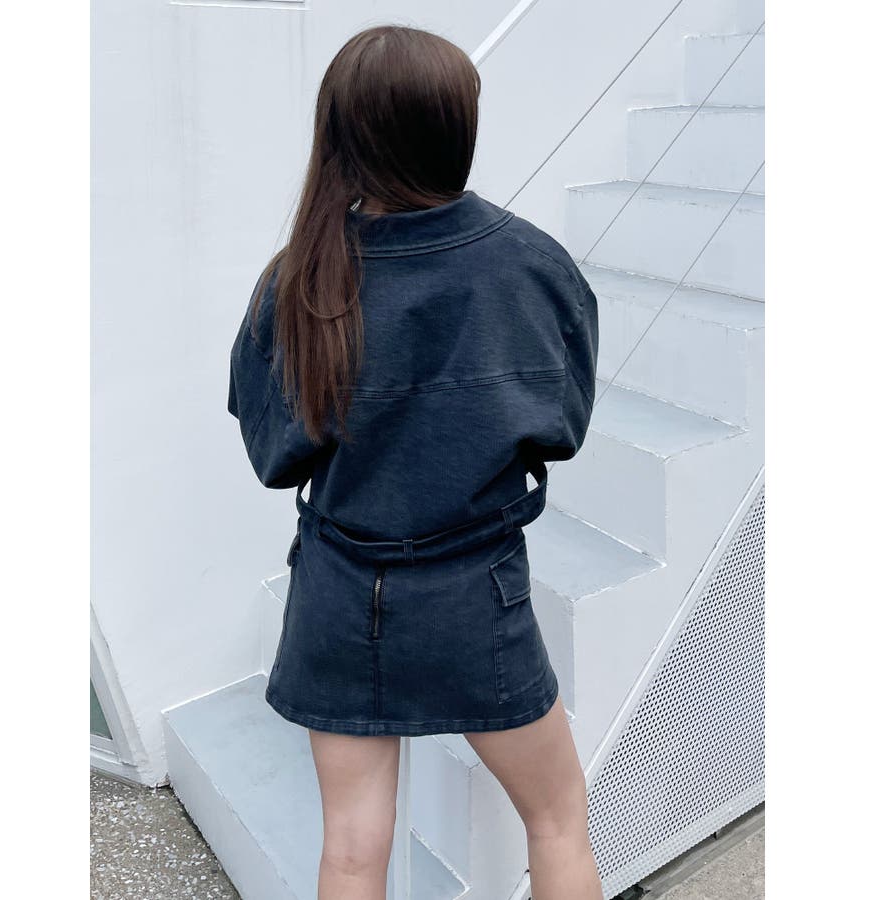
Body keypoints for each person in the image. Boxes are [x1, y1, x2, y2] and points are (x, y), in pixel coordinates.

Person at [227, 23, 603, 900]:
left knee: (351, 851)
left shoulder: (298, 278)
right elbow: (560, 425)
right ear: (455, 126)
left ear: (340, 135)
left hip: (336, 589)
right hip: (474, 593)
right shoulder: (529, 263)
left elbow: (275, 452)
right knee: (556, 821)